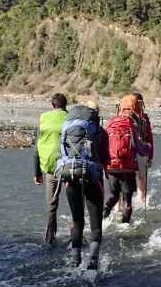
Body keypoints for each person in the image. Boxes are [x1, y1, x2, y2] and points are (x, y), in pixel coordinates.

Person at [60, 101, 110, 270]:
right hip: (93, 179)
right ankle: (93, 260)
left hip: (71, 176)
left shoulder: (67, 129)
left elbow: (62, 152)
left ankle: (75, 261)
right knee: (96, 225)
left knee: (77, 222)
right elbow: (106, 159)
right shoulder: (101, 133)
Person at [103, 94, 150, 223]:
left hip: (111, 165)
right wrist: (148, 148)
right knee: (127, 200)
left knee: (114, 196)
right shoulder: (132, 124)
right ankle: (125, 224)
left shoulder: (111, 121)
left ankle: (105, 214)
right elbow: (139, 147)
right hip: (127, 167)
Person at [34, 93, 68, 247]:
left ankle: (49, 239)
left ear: (52, 105)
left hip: (50, 165)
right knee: (75, 202)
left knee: (51, 205)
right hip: (68, 165)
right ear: (65, 105)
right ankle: (76, 238)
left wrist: (37, 172)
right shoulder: (70, 117)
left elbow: (38, 146)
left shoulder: (44, 118)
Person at [132, 92, 154, 205]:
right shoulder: (144, 117)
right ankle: (141, 201)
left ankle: (118, 207)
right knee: (141, 178)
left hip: (126, 150)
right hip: (141, 150)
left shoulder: (123, 117)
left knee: (122, 179)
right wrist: (150, 156)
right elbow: (149, 137)